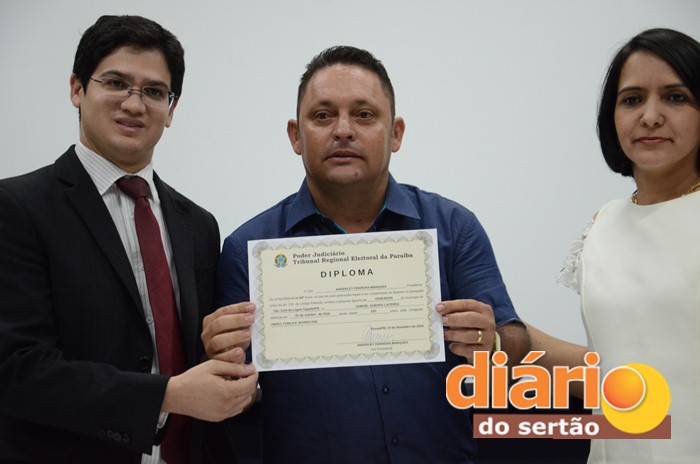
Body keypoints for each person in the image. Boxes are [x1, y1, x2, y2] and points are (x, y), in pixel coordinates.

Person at [202, 45, 529, 463]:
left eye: (364, 114)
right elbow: (238, 397)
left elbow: (516, 340)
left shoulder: (453, 227)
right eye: (323, 116)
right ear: (295, 136)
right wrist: (221, 361)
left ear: (395, 133)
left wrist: (494, 344)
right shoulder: (247, 249)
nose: (343, 130)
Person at [0, 15, 257, 464]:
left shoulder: (199, 225)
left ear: (171, 110)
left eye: (154, 91)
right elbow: (16, 368)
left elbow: (197, 355)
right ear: (77, 89)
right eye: (117, 83)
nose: (135, 104)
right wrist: (166, 395)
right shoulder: (18, 207)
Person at [528, 28, 700, 463]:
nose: (650, 116)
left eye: (675, 97)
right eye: (632, 99)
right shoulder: (603, 224)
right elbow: (610, 369)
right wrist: (500, 331)